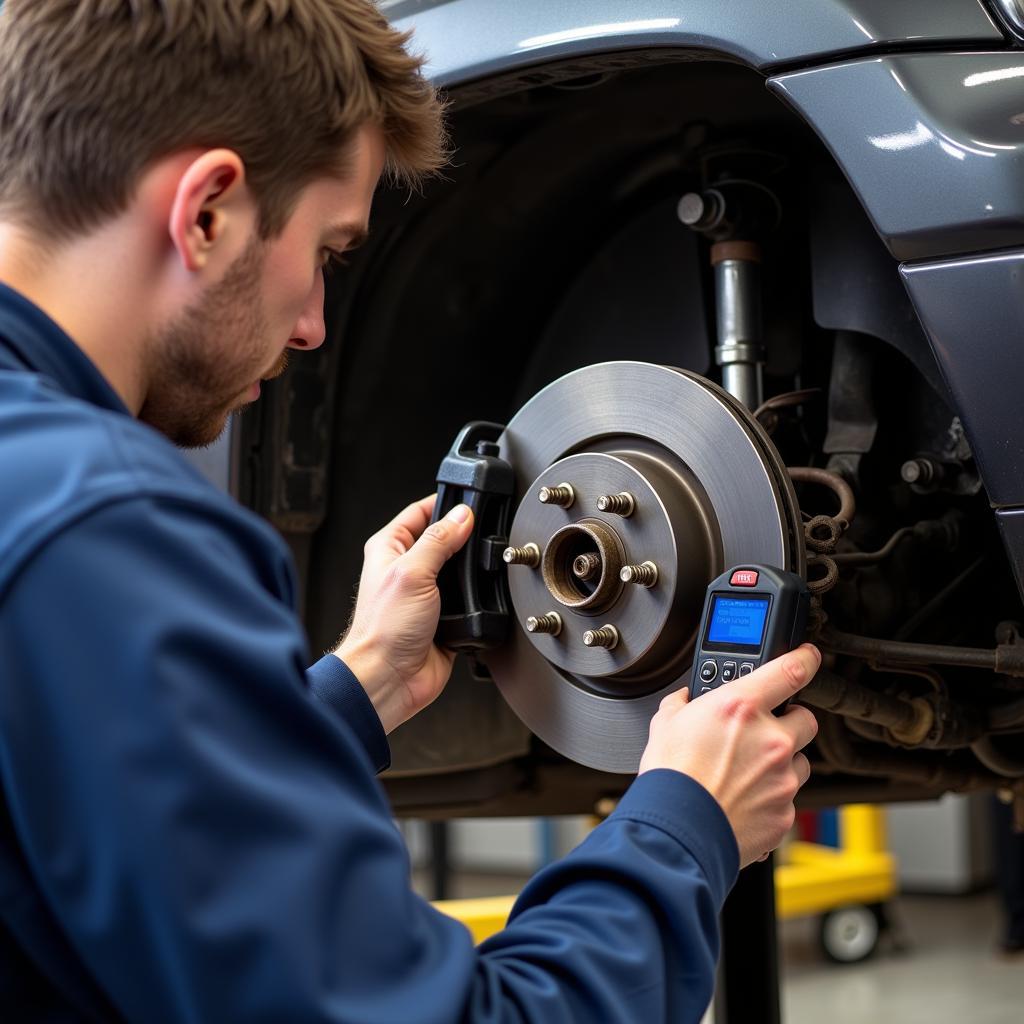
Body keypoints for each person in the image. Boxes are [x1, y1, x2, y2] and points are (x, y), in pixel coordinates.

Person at [0, 2, 820, 1021]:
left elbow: (93, 821)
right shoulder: (109, 530)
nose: (311, 329)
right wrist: (685, 821)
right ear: (207, 209)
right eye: (330, 253)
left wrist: (353, 690)